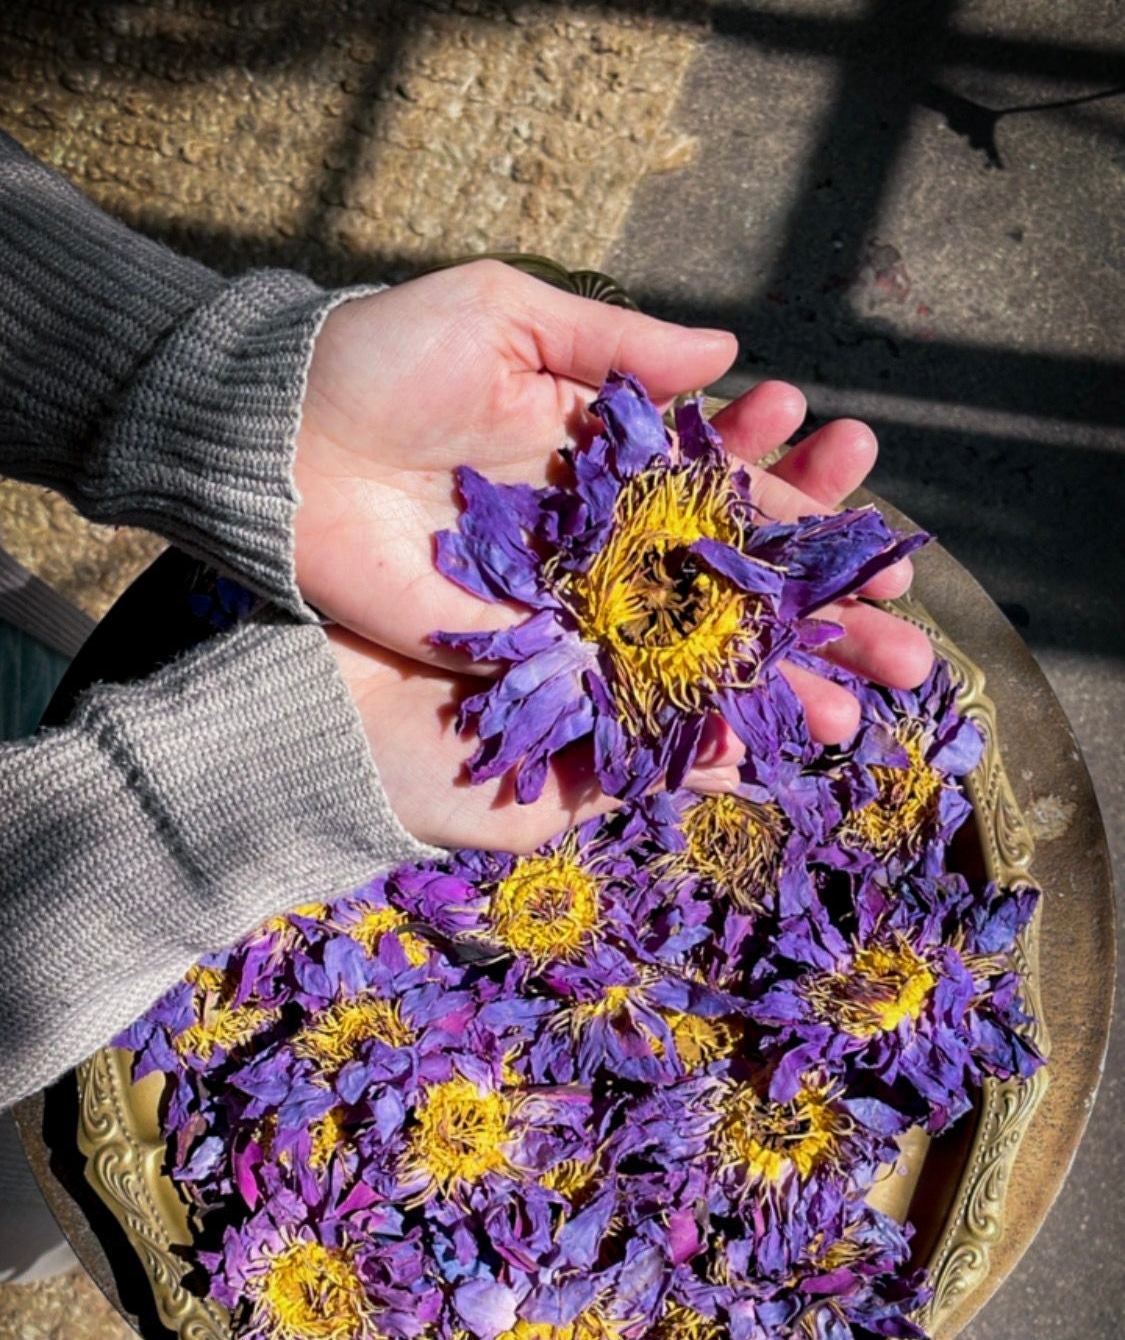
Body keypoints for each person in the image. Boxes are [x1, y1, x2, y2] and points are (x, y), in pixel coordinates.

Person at [0, 128, 931, 1132]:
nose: (679, 591)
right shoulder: (566, 632)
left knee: (39, 663)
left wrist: (230, 387)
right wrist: (201, 809)